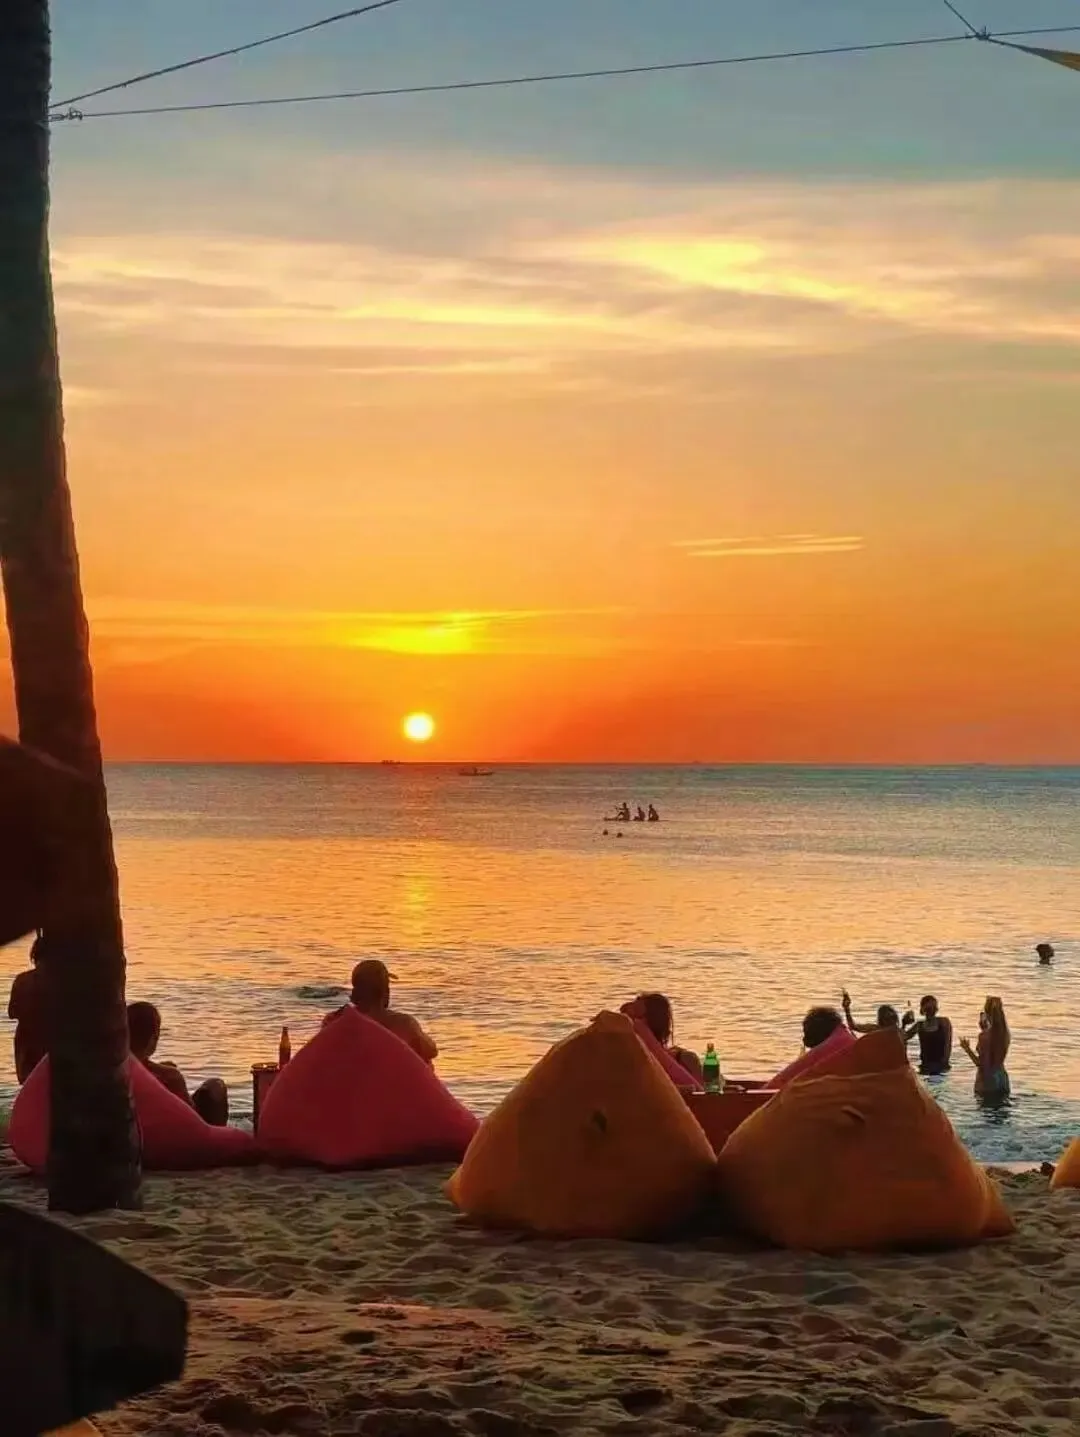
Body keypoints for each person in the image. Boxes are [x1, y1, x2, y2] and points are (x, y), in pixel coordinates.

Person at [127, 1001, 229, 1126]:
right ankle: (219, 1132)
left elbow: (139, 1065)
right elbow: (191, 1117)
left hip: (138, 1122)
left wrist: (160, 1067)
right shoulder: (169, 1076)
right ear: (154, 1038)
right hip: (174, 1130)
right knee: (216, 1086)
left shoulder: (116, 1069)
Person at [324, 958, 438, 1065]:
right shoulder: (404, 1023)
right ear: (385, 991)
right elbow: (431, 1051)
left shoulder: (334, 1020)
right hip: (390, 1076)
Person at [621, 992, 703, 1081]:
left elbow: (699, 1089)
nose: (627, 1022)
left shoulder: (685, 1058)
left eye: (634, 1017)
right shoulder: (625, 1061)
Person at [8, 933, 47, 1084]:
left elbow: (12, 1013)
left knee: (29, 1083)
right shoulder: (59, 982)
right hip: (47, 1041)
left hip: (27, 1042)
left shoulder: (22, 980)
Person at [959, 995, 1010, 1100]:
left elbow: (981, 1064)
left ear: (987, 1014)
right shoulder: (1005, 1034)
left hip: (987, 1082)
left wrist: (967, 1049)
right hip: (1002, 1078)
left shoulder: (984, 1036)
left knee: (985, 1108)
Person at [901, 994, 952, 1074]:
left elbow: (948, 1044)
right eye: (929, 1009)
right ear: (923, 1010)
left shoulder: (944, 1022)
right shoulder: (919, 1025)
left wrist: (944, 1062)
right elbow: (902, 1038)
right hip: (925, 1066)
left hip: (941, 1066)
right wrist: (904, 1024)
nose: (932, 1011)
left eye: (934, 1008)